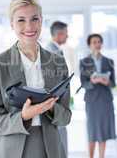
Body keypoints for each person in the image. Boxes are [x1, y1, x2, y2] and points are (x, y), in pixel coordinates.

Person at [0, 0, 72, 158]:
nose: (29, 26)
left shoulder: (57, 62)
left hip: (50, 148)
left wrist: (49, 107)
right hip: (12, 149)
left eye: (34, 19)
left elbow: (65, 117)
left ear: (41, 21)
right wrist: (24, 115)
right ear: (12, 24)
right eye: (21, 20)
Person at [79, 34, 116, 158]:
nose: (97, 44)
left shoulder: (109, 61)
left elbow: (113, 83)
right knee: (92, 131)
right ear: (90, 45)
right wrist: (92, 82)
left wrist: (107, 82)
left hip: (105, 101)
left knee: (103, 131)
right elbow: (83, 83)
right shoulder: (84, 62)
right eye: (94, 42)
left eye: (99, 41)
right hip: (92, 101)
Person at [46, 21, 68, 156]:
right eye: (66, 33)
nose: (67, 36)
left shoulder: (56, 50)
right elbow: (53, 80)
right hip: (54, 103)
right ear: (59, 34)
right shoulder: (51, 52)